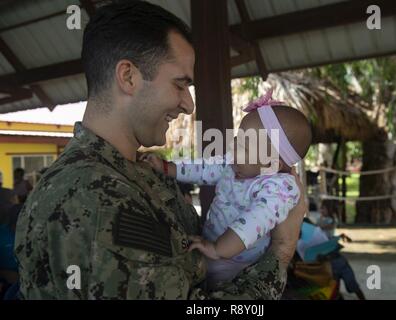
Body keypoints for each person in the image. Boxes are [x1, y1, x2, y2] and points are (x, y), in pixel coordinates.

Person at [15, 1, 306, 300]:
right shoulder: (93, 198)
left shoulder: (136, 171)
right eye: (180, 85)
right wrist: (281, 252)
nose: (189, 104)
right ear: (128, 77)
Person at [143, 90, 312, 289]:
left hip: (235, 262)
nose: (234, 149)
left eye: (244, 147)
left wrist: (218, 249)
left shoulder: (279, 187)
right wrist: (168, 168)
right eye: (237, 140)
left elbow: (254, 221)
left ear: (273, 163)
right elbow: (204, 168)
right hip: (212, 249)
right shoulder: (235, 164)